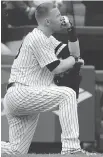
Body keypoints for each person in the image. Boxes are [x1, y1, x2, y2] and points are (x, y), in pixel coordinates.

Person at [1, 1, 90, 156]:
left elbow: (75, 54)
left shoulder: (49, 39)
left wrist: (71, 30)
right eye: (57, 15)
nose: (62, 17)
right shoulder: (37, 37)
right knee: (67, 95)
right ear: (47, 21)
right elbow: (58, 67)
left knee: (16, 151)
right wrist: (74, 61)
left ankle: (71, 149)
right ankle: (71, 149)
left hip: (26, 94)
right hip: (22, 91)